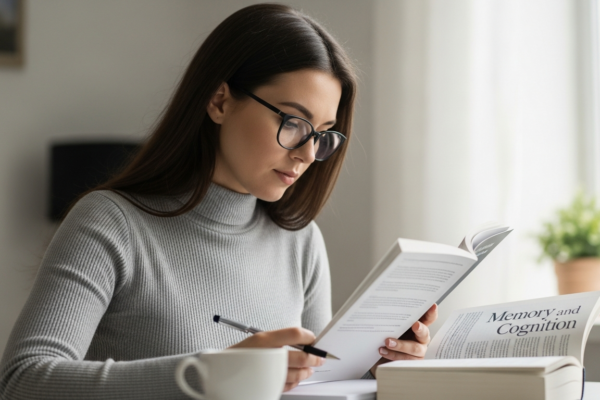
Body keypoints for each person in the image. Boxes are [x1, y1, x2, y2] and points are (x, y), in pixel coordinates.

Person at [0, 4, 437, 399]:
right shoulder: (109, 224)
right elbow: (22, 381)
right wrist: (209, 373)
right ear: (219, 101)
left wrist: (374, 373)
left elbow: (309, 388)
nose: (307, 152)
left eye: (323, 134)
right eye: (294, 122)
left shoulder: (300, 242)